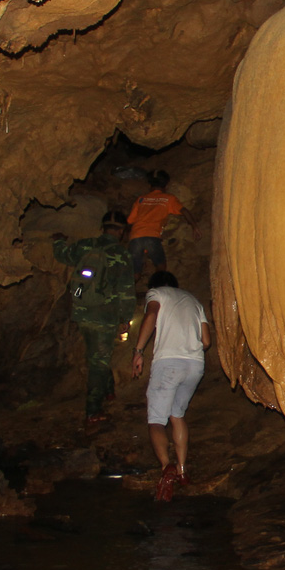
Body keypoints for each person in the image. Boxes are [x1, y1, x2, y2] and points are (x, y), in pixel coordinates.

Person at [130, 269, 210, 498]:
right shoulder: (194, 301)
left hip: (168, 363)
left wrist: (138, 351)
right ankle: (183, 471)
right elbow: (206, 341)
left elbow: (151, 316)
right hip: (195, 365)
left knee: (156, 420)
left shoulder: (156, 294)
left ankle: (167, 467)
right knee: (177, 415)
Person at [52, 213, 136, 428]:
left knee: (98, 354)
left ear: (102, 227)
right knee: (99, 362)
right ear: (121, 232)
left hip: (82, 312)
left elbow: (63, 255)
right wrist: (125, 319)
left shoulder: (86, 246)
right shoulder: (121, 254)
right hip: (104, 317)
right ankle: (93, 411)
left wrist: (58, 240)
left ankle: (108, 392)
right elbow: (126, 290)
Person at [124, 170, 184, 290]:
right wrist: (194, 226)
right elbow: (184, 211)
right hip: (152, 236)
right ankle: (159, 290)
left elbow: (130, 221)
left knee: (135, 273)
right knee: (161, 267)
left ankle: (125, 294)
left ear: (149, 185)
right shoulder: (168, 198)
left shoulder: (141, 199)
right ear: (166, 186)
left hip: (136, 236)